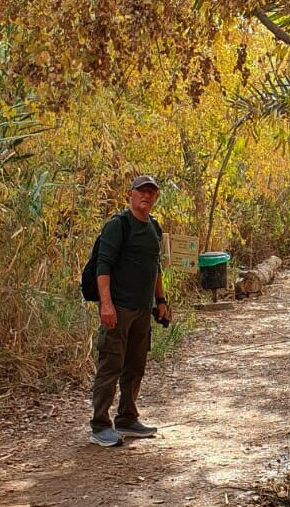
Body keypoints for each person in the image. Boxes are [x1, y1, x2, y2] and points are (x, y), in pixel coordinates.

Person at [89, 175, 171, 447]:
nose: (146, 196)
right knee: (110, 365)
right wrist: (107, 305)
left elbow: (155, 268)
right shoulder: (118, 225)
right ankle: (100, 424)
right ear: (130, 195)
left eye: (151, 192)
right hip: (119, 309)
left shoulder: (154, 229)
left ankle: (127, 417)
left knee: (135, 366)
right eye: (141, 192)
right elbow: (103, 267)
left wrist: (161, 301)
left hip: (142, 311)